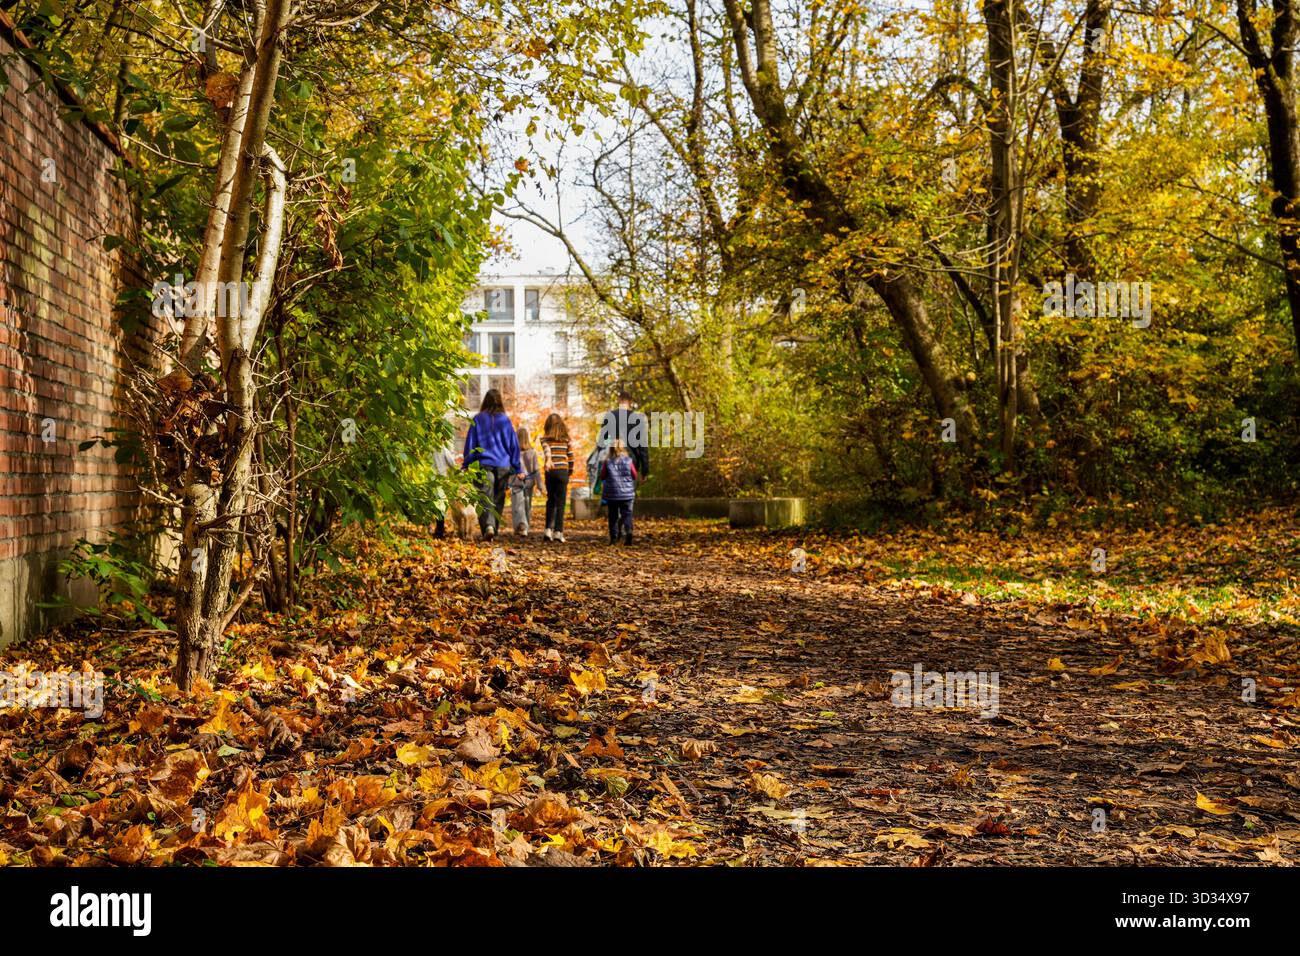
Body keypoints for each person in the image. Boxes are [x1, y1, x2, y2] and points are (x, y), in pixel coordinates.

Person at [461, 389, 524, 540]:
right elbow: (513, 446)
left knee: (484, 496)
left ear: (485, 401)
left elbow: (471, 444)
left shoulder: (477, 419)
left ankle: (488, 527)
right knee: (498, 498)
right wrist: (517, 468)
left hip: (483, 464)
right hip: (503, 465)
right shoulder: (506, 421)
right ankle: (493, 529)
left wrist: (466, 464)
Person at [599, 439, 639, 545]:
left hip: (612, 494)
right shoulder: (629, 460)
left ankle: (613, 539)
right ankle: (629, 532)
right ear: (623, 448)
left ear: (610, 450)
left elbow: (602, 476)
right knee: (627, 514)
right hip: (627, 494)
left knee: (613, 516)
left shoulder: (607, 462)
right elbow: (634, 475)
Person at [540, 413, 572, 542]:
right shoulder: (566, 440)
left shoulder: (544, 440)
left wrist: (549, 459)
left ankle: (548, 529)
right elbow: (571, 457)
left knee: (551, 501)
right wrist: (569, 472)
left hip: (551, 471)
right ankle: (558, 532)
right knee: (561, 503)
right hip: (563, 471)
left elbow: (547, 450)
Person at [510, 425, 543, 536]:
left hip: (516, 481)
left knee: (517, 505)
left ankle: (520, 527)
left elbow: (509, 468)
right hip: (529, 482)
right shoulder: (532, 452)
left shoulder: (513, 452)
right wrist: (540, 485)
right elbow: (536, 470)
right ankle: (525, 527)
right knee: (527, 505)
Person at [431, 430, 458, 539]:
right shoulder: (443, 450)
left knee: (431, 505)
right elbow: (452, 464)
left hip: (429, 480)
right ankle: (439, 531)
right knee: (440, 506)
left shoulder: (428, 449)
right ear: (443, 439)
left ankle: (431, 527)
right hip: (440, 480)